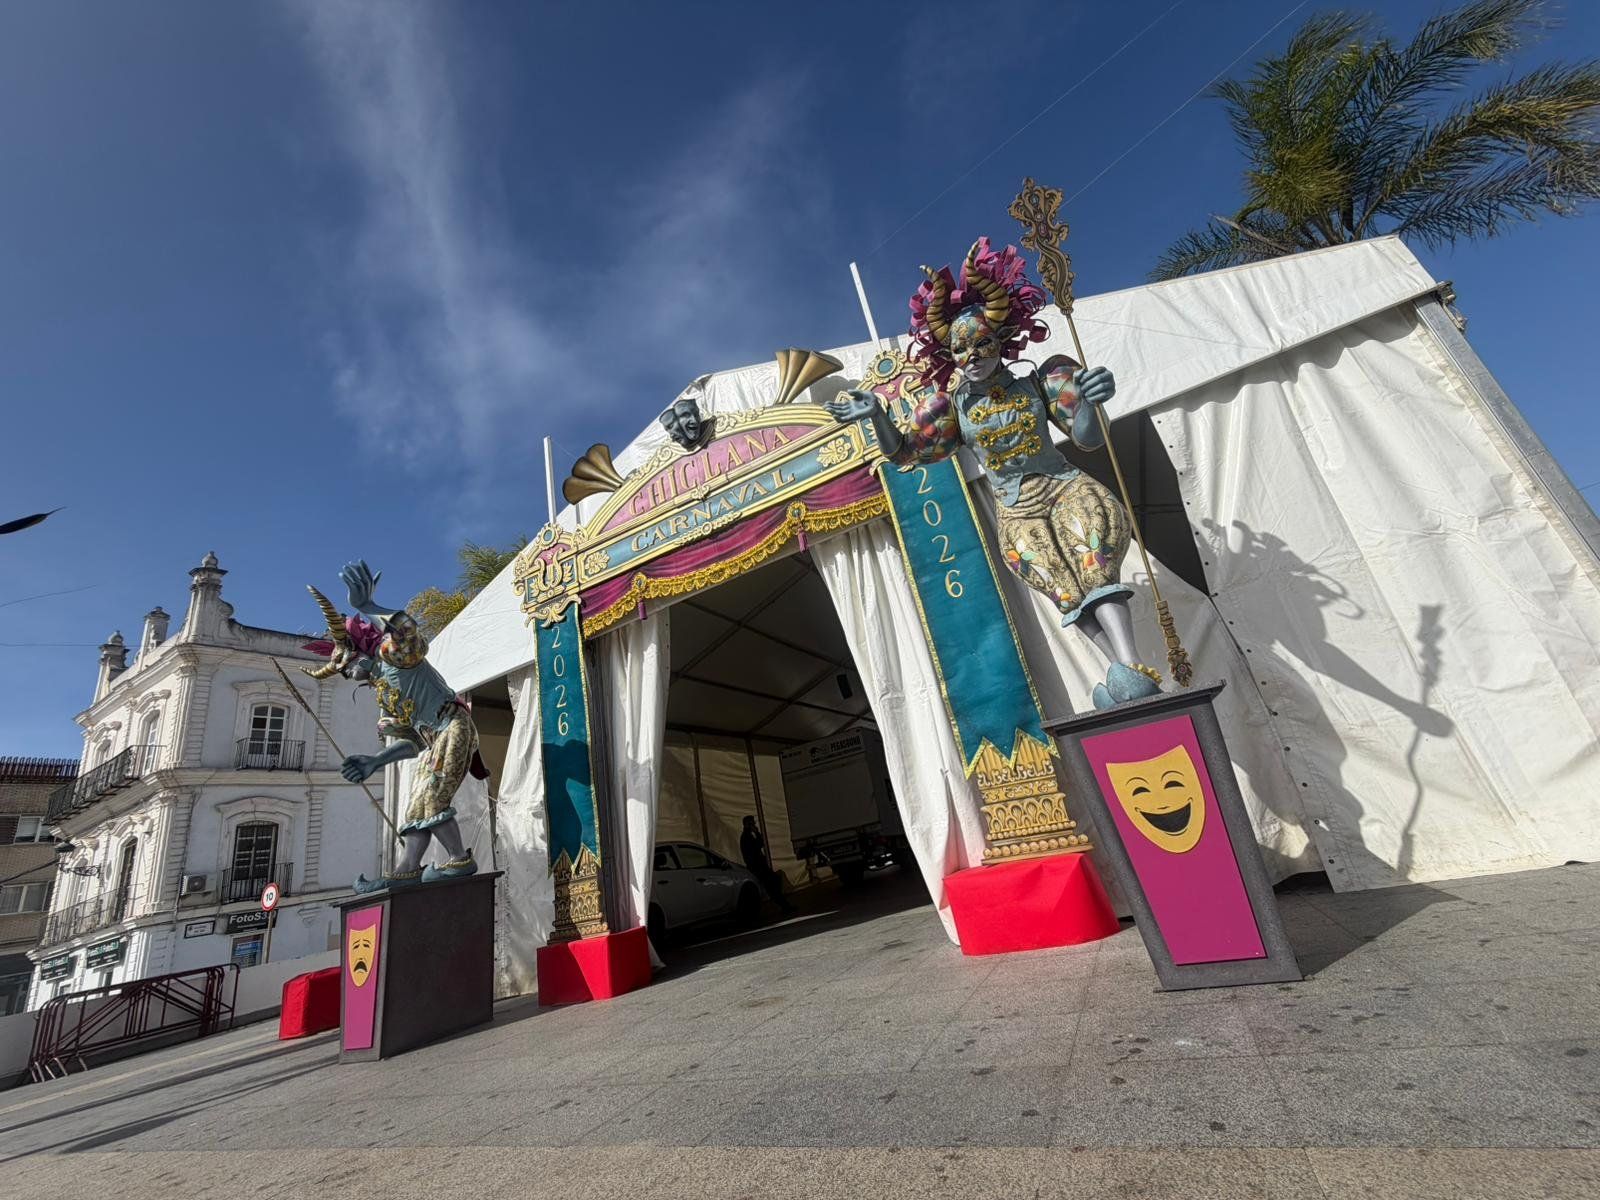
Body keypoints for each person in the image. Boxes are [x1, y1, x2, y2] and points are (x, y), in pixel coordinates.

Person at [740, 816, 791, 913]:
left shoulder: (746, 836)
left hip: (758, 867)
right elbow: (759, 845)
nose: (754, 825)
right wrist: (757, 833)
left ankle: (784, 905)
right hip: (759, 867)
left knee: (773, 885)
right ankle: (784, 905)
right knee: (773, 885)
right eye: (752, 823)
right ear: (748, 824)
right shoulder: (746, 837)